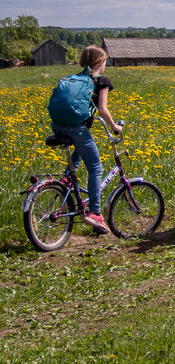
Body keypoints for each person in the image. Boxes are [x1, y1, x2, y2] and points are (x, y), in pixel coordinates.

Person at [49, 46, 122, 233]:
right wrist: (115, 126)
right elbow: (103, 109)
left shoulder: (74, 78)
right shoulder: (101, 81)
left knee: (80, 149)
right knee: (96, 167)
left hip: (57, 125)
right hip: (76, 128)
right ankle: (95, 213)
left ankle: (66, 180)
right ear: (101, 62)